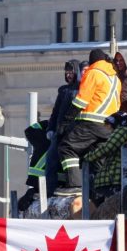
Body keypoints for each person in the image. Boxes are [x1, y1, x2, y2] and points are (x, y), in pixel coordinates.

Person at [56, 49, 122, 195]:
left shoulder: (93, 73)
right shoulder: (115, 78)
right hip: (108, 126)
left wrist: (66, 121)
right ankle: (101, 192)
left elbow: (81, 101)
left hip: (91, 122)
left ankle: (75, 185)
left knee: (67, 147)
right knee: (97, 158)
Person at [43, 59, 84, 195]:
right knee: (52, 163)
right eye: (66, 72)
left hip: (71, 133)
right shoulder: (64, 91)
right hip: (59, 133)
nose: (68, 75)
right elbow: (56, 113)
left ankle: (70, 186)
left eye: (71, 72)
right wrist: (50, 129)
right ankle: (51, 191)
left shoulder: (80, 90)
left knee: (62, 162)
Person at [84, 111, 127, 206]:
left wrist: (87, 158)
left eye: (109, 125)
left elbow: (107, 148)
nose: (109, 129)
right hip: (121, 176)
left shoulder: (122, 130)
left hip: (114, 178)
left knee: (92, 185)